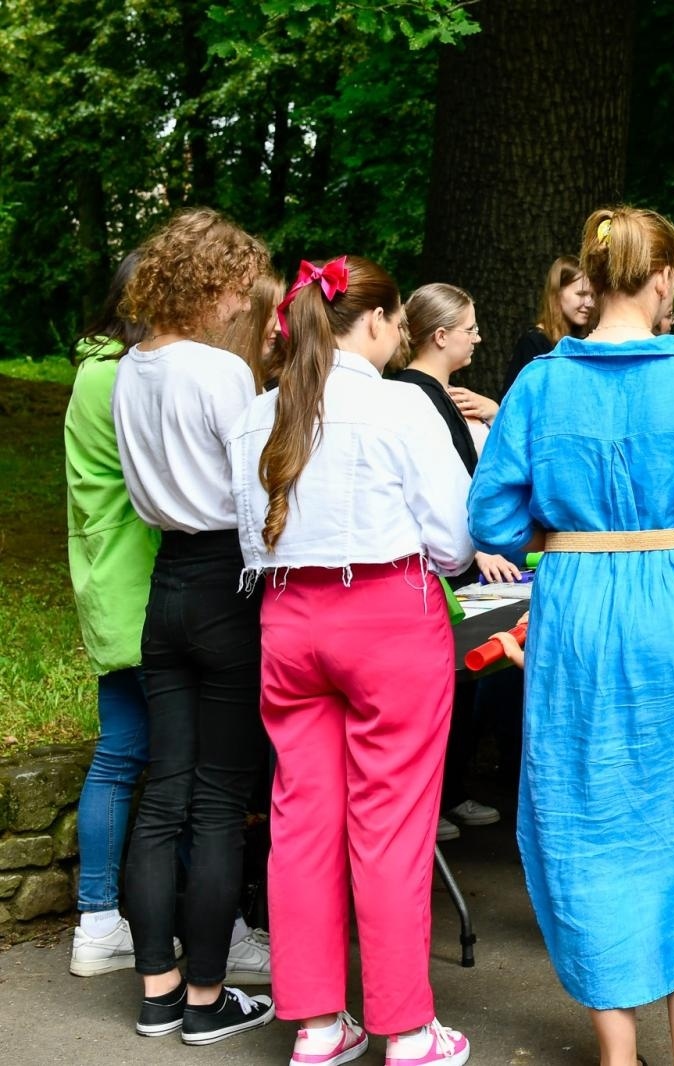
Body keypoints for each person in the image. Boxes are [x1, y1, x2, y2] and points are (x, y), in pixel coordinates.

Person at [469, 205, 674, 1065]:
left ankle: (616, 1051)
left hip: (580, 611)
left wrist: (565, 530)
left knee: (582, 807)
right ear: (667, 279)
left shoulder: (540, 383)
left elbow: (489, 516)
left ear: (589, 283)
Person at [229, 254, 476, 1066]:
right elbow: (452, 539)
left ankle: (317, 1023)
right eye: (399, 320)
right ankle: (405, 1028)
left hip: (288, 619)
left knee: (300, 824)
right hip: (386, 620)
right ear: (371, 321)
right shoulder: (402, 408)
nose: (401, 334)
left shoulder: (260, 412)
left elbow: (248, 536)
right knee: (392, 826)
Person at [111, 208, 276, 1043]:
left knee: (160, 795)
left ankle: (157, 987)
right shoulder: (217, 372)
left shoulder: (127, 369)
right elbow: (253, 500)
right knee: (216, 801)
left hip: (166, 581)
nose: (242, 306)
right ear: (208, 284)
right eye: (239, 292)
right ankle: (207, 999)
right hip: (227, 581)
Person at [65, 254, 163, 978]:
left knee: (122, 751)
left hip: (113, 585)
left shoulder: (97, 367)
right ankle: (102, 918)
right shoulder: (120, 375)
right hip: (141, 585)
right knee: (141, 758)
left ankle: (98, 921)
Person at [396, 282, 518, 842]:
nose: (478, 336)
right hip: (440, 562)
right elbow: (445, 493)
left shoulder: (444, 395)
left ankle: (451, 789)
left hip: (460, 555)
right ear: (440, 335)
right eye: (469, 328)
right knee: (448, 688)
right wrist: (481, 545)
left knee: (463, 691)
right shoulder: (414, 396)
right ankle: (437, 797)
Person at [503, 254, 594, 394]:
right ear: (557, 294)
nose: (590, 303)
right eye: (581, 294)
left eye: (592, 296)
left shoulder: (585, 340)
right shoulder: (533, 343)